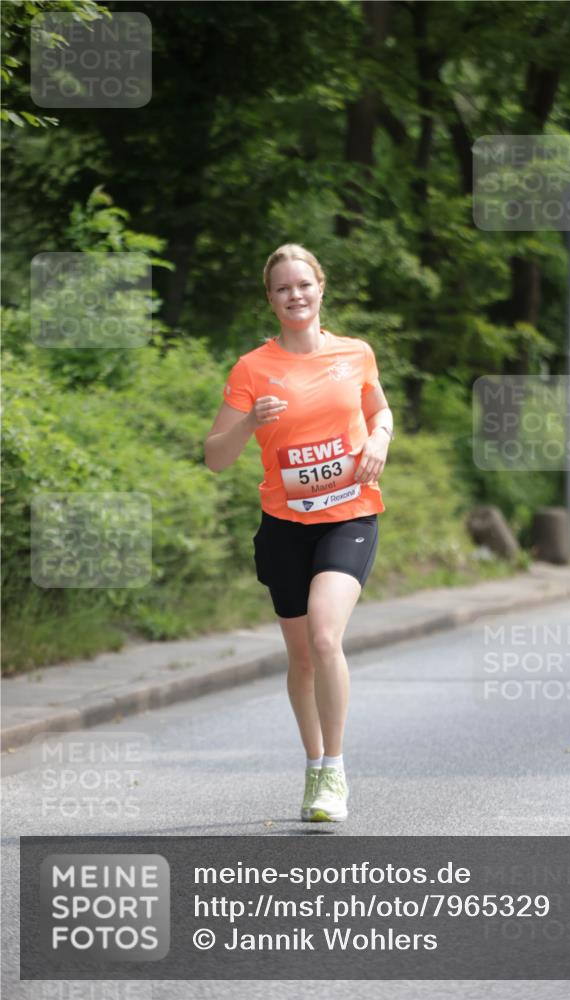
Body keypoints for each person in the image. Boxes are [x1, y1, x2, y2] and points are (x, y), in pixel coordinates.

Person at [204, 244, 393, 822]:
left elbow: (380, 412)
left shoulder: (355, 354)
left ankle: (334, 769)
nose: (295, 295)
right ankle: (313, 766)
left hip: (350, 514)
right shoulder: (251, 368)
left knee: (324, 637)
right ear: (271, 298)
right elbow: (215, 457)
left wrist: (379, 440)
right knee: (302, 659)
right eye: (283, 288)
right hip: (285, 526)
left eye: (303, 285)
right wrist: (248, 422)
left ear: (320, 288)